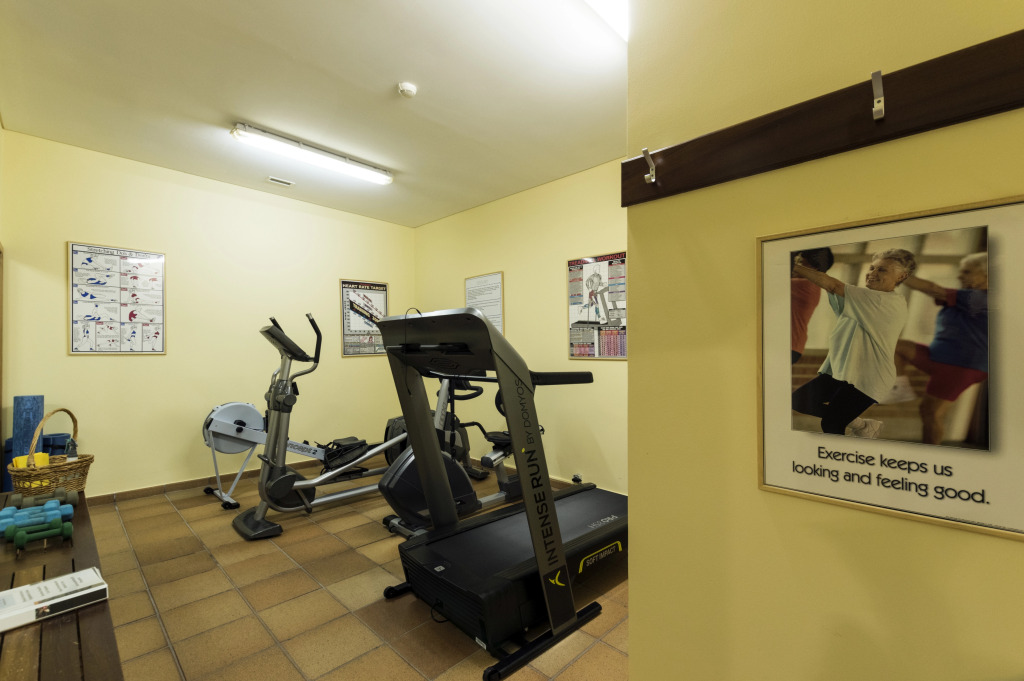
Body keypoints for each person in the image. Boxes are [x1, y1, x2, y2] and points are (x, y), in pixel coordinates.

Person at [791, 248, 917, 438]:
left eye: (882, 270)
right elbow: (831, 286)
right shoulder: (864, 299)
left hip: (869, 376)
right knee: (800, 401)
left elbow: (834, 286)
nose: (873, 273)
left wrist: (792, 266)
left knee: (832, 423)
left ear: (901, 276)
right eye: (872, 268)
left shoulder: (885, 302)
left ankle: (844, 452)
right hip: (844, 372)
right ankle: (864, 426)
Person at [886, 252, 988, 445]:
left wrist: (897, 273)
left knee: (930, 413)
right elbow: (938, 293)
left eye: (967, 272)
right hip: (939, 358)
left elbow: (933, 289)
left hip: (960, 366)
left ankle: (931, 453)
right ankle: (898, 390)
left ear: (987, 276)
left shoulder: (981, 298)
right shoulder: (965, 297)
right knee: (894, 346)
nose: (960, 276)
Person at [791, 248, 835, 363]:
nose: (795, 266)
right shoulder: (807, 284)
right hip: (792, 345)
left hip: (790, 346)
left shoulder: (807, 285)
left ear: (814, 269)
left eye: (800, 263)